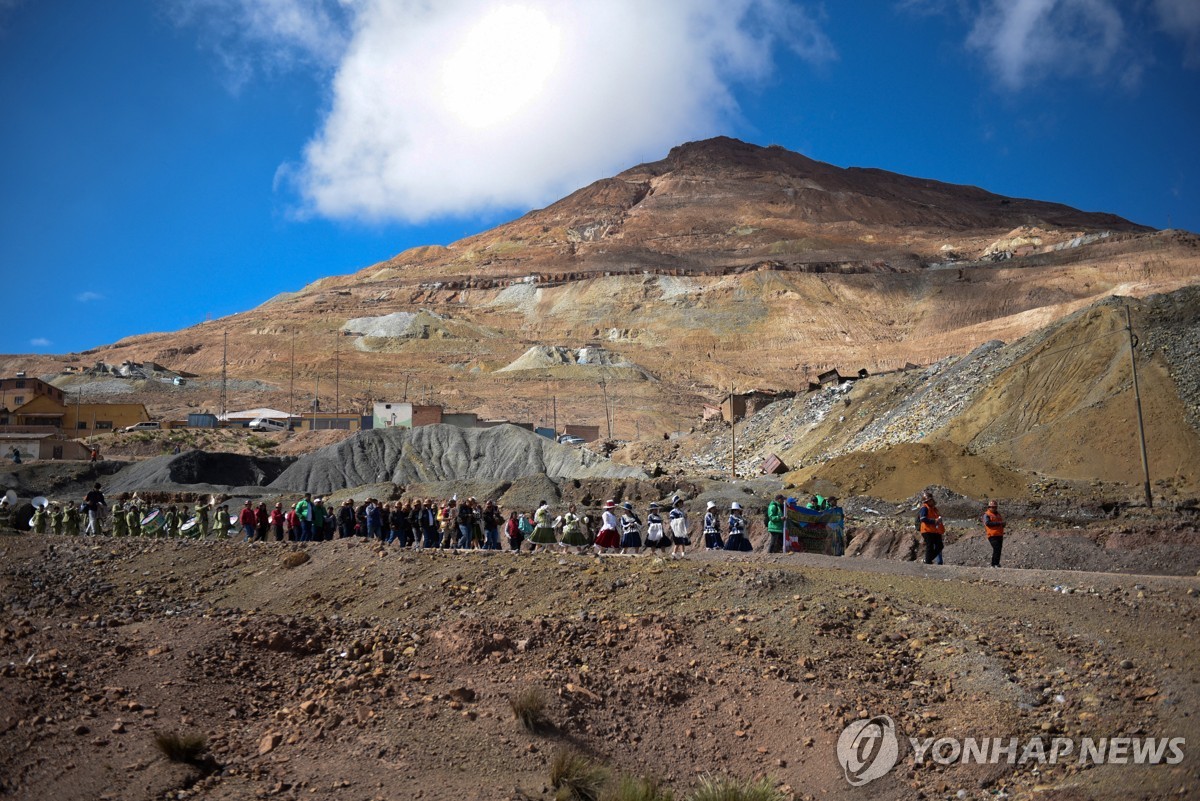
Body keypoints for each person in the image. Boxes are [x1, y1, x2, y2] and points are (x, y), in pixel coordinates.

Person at [919, 491, 945, 565]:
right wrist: (934, 521)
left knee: (940, 546)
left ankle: (928, 560)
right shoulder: (924, 508)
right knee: (929, 546)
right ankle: (928, 561)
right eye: (929, 500)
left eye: (931, 500)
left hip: (934, 530)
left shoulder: (933, 508)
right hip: (927, 530)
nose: (931, 501)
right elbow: (923, 518)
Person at [982, 500, 1006, 567]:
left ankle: (996, 563)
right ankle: (994, 564)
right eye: (992, 507)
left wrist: (1003, 524)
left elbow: (1000, 523)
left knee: (999, 549)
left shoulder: (998, 514)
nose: (994, 508)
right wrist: (999, 523)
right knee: (996, 548)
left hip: (999, 534)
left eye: (995, 507)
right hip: (992, 535)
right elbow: (988, 523)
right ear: (989, 507)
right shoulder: (986, 515)